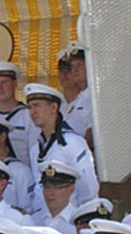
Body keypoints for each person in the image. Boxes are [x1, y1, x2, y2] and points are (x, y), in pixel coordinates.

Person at [24, 83, 98, 212]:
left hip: (69, 221)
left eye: (37, 106)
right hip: (44, 220)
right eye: (29, 107)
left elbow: (88, 190)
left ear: (54, 107)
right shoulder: (35, 149)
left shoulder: (73, 142)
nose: (32, 112)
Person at [0, 60, 35, 153]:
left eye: (4, 82)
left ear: (14, 84)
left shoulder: (29, 115)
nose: (0, 88)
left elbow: (35, 150)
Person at [59, 43, 95, 147]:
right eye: (73, 66)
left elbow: (92, 135)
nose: (75, 70)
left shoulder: (95, 98)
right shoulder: (78, 100)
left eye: (79, 65)